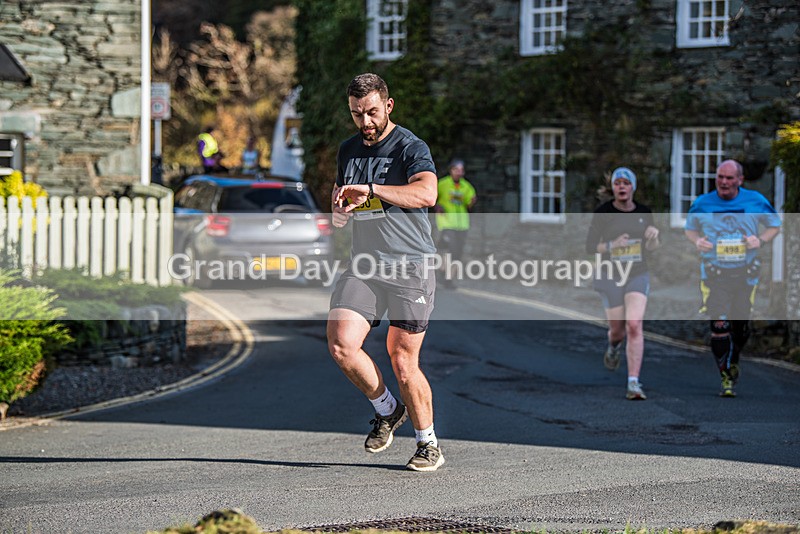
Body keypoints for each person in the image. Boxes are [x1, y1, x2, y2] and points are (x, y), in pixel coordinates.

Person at [327, 73, 444, 471]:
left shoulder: (410, 147)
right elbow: (341, 203)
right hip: (366, 263)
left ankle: (428, 444)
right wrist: (340, 211)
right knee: (342, 343)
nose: (366, 122)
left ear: (388, 106)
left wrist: (374, 189)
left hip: (411, 264)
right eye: (357, 114)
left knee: (402, 358)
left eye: (372, 112)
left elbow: (427, 194)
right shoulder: (348, 150)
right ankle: (388, 409)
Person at [684, 159, 781, 397]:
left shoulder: (755, 201)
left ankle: (734, 357)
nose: (724, 182)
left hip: (745, 275)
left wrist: (761, 240)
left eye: (729, 178)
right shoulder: (702, 203)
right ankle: (725, 375)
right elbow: (690, 228)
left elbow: (774, 225)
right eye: (720, 177)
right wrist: (697, 241)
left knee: (740, 328)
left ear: (740, 180)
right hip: (715, 276)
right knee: (719, 326)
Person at [585, 167, 660, 400]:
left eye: (626, 183)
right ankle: (614, 346)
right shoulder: (603, 213)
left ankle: (633, 383)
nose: (622, 187)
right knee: (617, 330)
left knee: (634, 325)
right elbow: (590, 247)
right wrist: (611, 246)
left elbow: (652, 249)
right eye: (618, 183)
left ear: (632, 187)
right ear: (613, 188)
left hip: (637, 273)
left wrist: (654, 237)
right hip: (610, 274)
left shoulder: (644, 212)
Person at [434, 159, 477, 289]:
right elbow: (431, 197)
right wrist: (437, 207)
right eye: (456, 169)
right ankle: (442, 272)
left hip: (462, 224)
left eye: (461, 170)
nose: (459, 172)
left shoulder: (466, 186)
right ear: (451, 170)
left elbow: (470, 202)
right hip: (446, 223)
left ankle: (448, 279)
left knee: (457, 253)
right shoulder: (442, 183)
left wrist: (472, 202)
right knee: (448, 250)